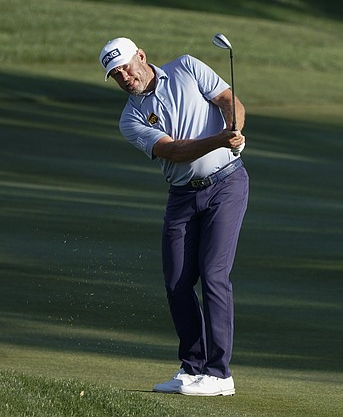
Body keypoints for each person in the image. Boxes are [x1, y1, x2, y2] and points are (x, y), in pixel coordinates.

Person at [99, 37, 248, 397]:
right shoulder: (130, 118)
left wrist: (234, 127)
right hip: (182, 196)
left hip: (226, 183)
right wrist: (219, 138)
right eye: (115, 74)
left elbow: (229, 100)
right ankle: (192, 366)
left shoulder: (187, 67)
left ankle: (219, 374)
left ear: (141, 56)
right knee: (177, 282)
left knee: (213, 274)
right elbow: (173, 151)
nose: (123, 76)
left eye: (125, 67)